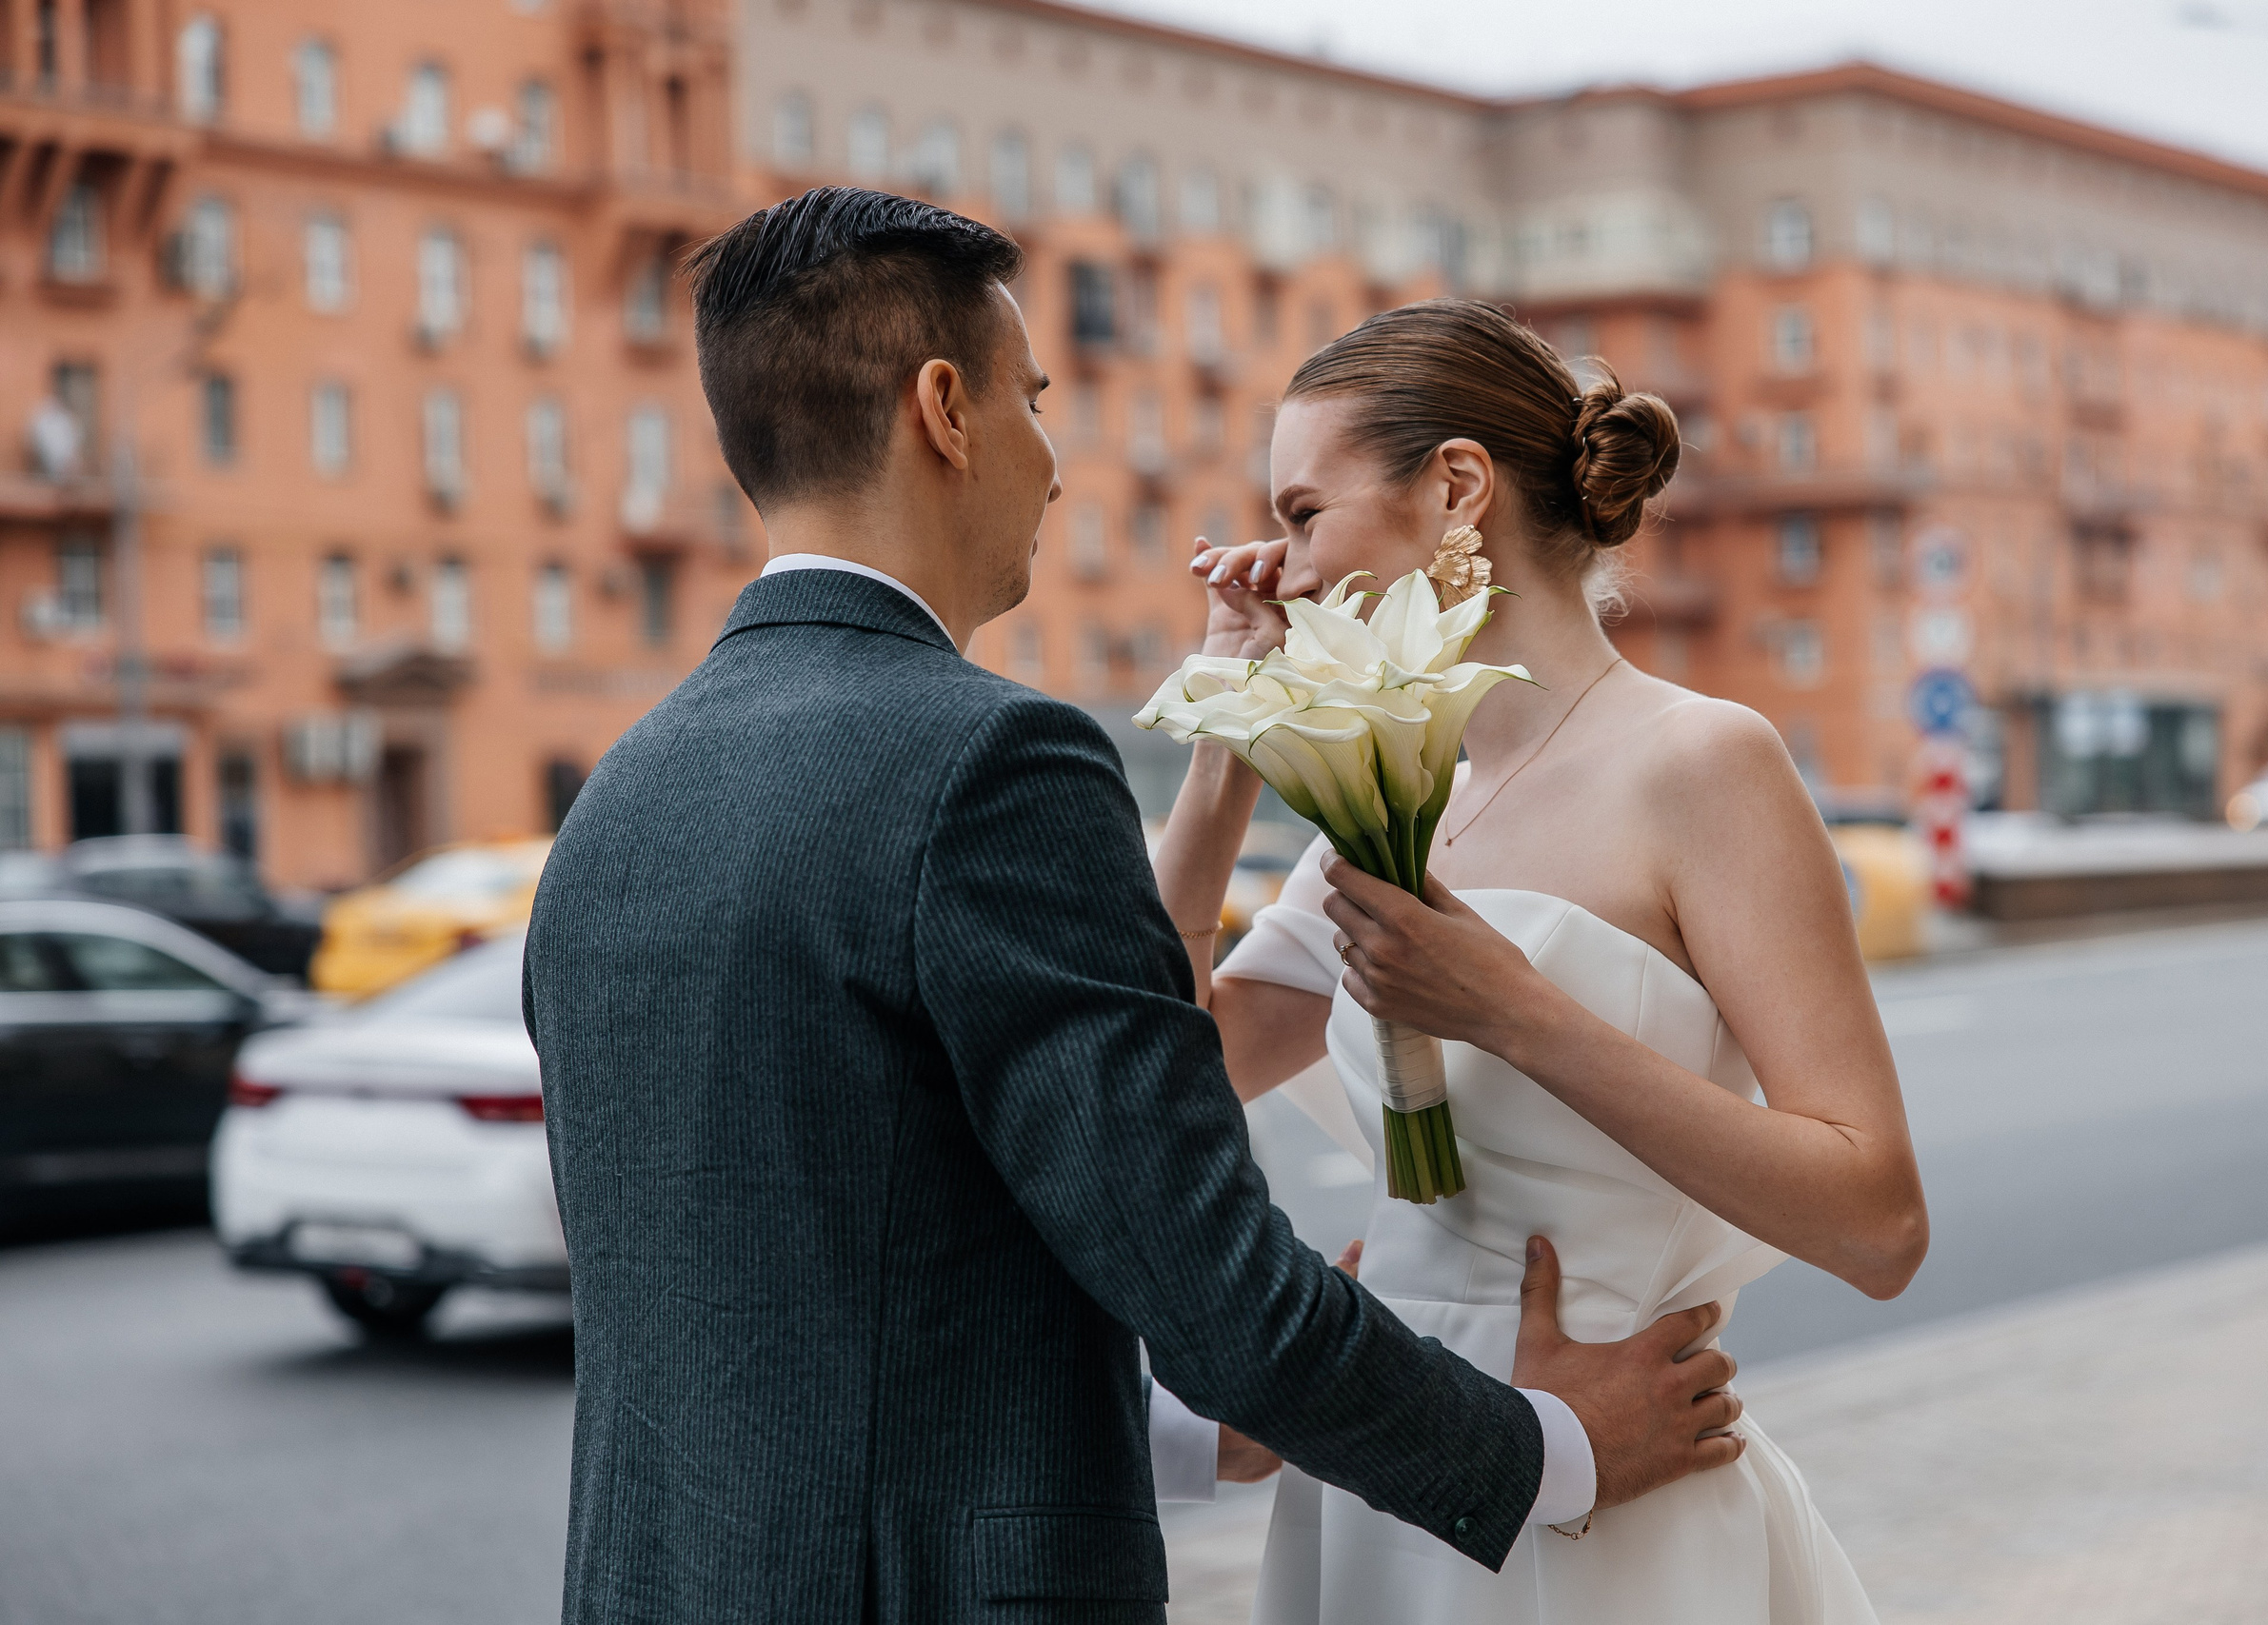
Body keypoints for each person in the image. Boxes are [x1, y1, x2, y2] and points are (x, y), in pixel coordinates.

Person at [524, 188, 1754, 1625]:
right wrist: (1554, 1448)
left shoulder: (619, 795)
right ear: (945, 410)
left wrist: (1183, 1430)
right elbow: (1216, 1292)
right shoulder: (990, 761)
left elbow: (808, 1273)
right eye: (1033, 400)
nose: (1054, 463)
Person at [1153, 300, 1930, 1624]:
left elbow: (1877, 1223)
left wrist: (1516, 1013)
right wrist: (1229, 736)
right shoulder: (1392, 787)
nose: (1274, 571)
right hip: (1394, 1464)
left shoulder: (1703, 762)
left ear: (1456, 487)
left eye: (1300, 514)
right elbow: (1169, 1066)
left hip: (1613, 1489)